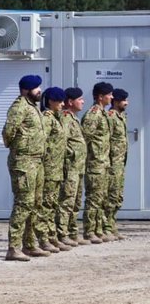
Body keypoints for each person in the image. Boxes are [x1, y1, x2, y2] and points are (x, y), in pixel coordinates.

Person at [2, 75, 46, 261]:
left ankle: (29, 244)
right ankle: (13, 248)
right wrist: (18, 149)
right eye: (36, 88)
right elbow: (8, 132)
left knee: (35, 203)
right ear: (27, 90)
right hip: (23, 162)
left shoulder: (33, 108)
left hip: (36, 161)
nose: (40, 91)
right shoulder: (19, 107)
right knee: (23, 203)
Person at [39, 88, 70, 253]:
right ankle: (43, 239)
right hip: (49, 168)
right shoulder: (46, 119)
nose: (63, 104)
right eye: (60, 101)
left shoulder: (56, 118)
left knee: (52, 205)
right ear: (51, 101)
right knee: (46, 205)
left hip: (57, 168)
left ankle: (52, 237)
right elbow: (41, 142)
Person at [81, 82, 113, 243]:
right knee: (93, 198)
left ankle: (99, 229)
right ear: (100, 97)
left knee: (101, 197)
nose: (112, 97)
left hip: (103, 163)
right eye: (109, 94)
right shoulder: (94, 114)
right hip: (95, 163)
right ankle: (89, 231)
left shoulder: (104, 113)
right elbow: (84, 139)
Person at [58, 88, 87, 245]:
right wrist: (72, 154)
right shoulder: (65, 118)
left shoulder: (74, 118)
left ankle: (72, 232)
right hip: (70, 166)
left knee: (75, 202)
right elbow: (61, 142)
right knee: (67, 201)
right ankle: (62, 234)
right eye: (80, 99)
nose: (83, 101)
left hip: (79, 166)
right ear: (70, 102)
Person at [106, 89, 129, 240]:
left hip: (120, 162)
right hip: (112, 162)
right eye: (124, 100)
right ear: (115, 101)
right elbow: (105, 140)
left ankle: (111, 225)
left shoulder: (121, 117)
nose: (126, 103)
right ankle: (106, 227)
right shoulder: (111, 117)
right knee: (110, 196)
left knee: (117, 197)